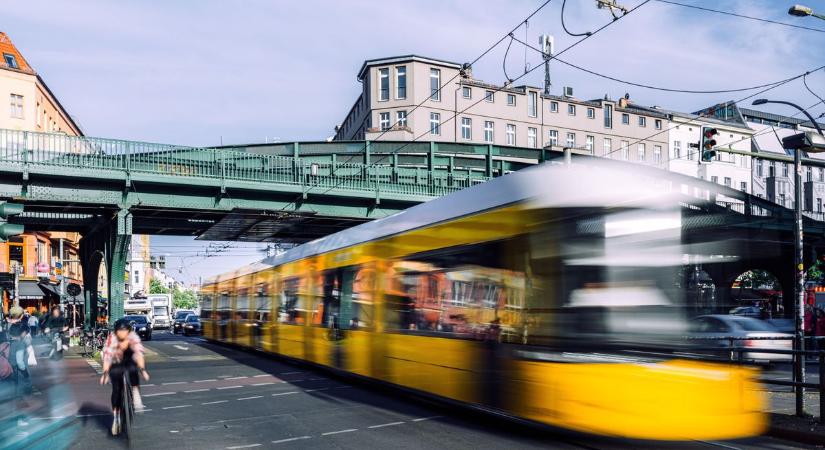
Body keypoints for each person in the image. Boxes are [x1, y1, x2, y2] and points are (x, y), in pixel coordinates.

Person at [100, 318, 150, 436]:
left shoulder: (133, 337)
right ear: (116, 332)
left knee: (133, 369)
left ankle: (135, 391)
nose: (122, 334)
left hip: (129, 360)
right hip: (115, 362)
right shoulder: (111, 339)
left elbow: (139, 354)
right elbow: (107, 357)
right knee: (116, 389)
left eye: (124, 331)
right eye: (119, 331)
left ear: (129, 331)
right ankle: (116, 417)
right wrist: (105, 374)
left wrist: (143, 370)